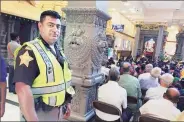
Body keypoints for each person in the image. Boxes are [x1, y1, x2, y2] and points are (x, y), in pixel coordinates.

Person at [13, 10, 75, 121]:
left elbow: (64, 80)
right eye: (50, 25)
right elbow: (22, 89)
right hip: (39, 113)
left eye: (58, 26)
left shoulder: (58, 50)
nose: (55, 30)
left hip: (59, 110)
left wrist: (67, 103)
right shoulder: (29, 51)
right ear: (40, 26)